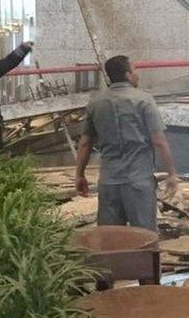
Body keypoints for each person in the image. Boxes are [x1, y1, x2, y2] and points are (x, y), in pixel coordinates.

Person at [75, 56, 179, 231]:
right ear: (127, 75)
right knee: (145, 236)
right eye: (134, 70)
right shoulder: (144, 100)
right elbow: (159, 141)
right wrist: (172, 174)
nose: (137, 75)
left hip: (108, 182)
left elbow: (85, 142)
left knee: (110, 238)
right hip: (138, 181)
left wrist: (80, 175)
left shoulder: (95, 102)